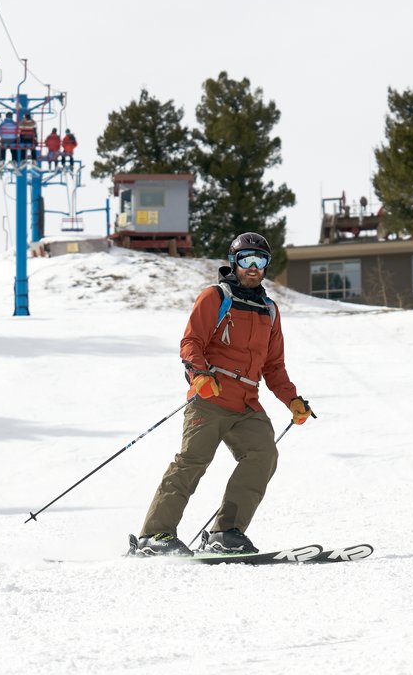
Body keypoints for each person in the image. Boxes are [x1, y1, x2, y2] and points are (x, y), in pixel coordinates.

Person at [132, 231, 315, 557]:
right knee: (192, 461)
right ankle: (154, 535)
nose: (253, 266)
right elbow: (191, 343)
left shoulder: (270, 311)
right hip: (211, 396)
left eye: (260, 260)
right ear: (234, 262)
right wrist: (199, 375)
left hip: (247, 402)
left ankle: (225, 532)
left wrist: (293, 400)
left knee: (263, 455)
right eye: (246, 259)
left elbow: (273, 366)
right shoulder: (216, 297)